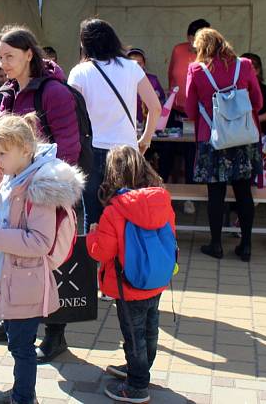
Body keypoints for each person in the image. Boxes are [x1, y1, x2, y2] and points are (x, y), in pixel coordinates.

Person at [0, 25, 80, 363]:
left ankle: (55, 335)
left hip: (44, 191)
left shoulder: (54, 92)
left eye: (9, 56)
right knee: (14, 264)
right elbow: (2, 138)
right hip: (15, 187)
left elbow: (69, 147)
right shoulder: (8, 92)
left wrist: (46, 187)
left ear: (29, 54)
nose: (2, 63)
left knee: (51, 264)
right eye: (0, 57)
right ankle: (10, 319)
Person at [0, 113, 84, 404]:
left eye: (2, 153)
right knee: (17, 344)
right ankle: (21, 392)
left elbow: (39, 242)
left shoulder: (37, 187)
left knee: (22, 347)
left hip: (25, 281)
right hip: (10, 278)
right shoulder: (9, 177)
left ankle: (24, 397)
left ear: (25, 150)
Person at [86, 145, 176, 403]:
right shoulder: (162, 202)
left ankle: (137, 385)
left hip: (127, 285)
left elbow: (101, 253)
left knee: (133, 335)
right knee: (150, 329)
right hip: (156, 279)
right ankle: (140, 369)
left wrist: (93, 234)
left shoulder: (114, 211)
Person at [68, 20, 162, 227]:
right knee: (127, 215)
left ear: (85, 44)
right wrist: (145, 140)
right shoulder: (132, 68)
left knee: (92, 217)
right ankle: (124, 258)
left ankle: (95, 258)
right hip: (127, 151)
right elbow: (155, 107)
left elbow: (72, 115)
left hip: (91, 150)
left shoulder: (79, 72)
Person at [185, 28, 262, 262]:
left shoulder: (196, 70)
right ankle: (245, 245)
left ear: (202, 48)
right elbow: (257, 102)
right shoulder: (245, 65)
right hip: (242, 138)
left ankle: (216, 245)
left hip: (212, 137)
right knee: (243, 192)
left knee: (215, 194)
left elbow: (190, 110)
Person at [163, 19, 211, 212]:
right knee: (167, 149)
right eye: (191, 37)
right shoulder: (178, 50)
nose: (193, 42)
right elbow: (171, 75)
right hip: (176, 109)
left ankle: (190, 197)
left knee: (193, 153)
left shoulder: (211, 55)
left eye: (198, 38)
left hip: (199, 113)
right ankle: (160, 192)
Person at [126, 48, 167, 123]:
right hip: (127, 125)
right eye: (132, 63)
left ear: (144, 64)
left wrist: (156, 98)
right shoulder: (122, 81)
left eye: (139, 63)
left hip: (149, 125)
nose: (136, 66)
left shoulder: (153, 80)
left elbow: (163, 102)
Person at [241, 53, 266, 134]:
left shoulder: (262, 88)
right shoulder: (233, 88)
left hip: (258, 133)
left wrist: (253, 120)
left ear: (257, 71)